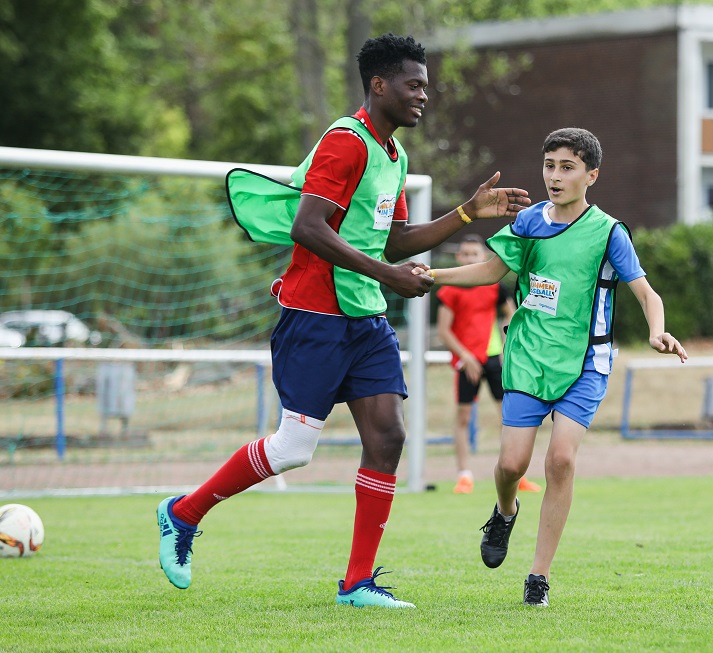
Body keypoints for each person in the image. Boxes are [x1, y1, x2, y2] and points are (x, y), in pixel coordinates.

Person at [155, 33, 530, 609]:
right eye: (413, 84)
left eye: (426, 86)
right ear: (379, 85)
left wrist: (465, 213)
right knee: (294, 447)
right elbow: (309, 226)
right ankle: (182, 513)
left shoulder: (394, 155)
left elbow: (397, 238)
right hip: (315, 315)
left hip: (364, 318)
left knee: (388, 436)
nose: (423, 95)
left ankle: (356, 584)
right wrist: (385, 274)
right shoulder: (344, 142)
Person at [416, 127, 687, 607]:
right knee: (510, 464)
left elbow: (647, 292)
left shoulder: (609, 232)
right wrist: (433, 275)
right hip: (528, 354)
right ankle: (504, 511)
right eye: (549, 166)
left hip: (586, 362)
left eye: (567, 167)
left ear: (591, 175)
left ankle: (538, 576)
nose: (555, 177)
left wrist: (656, 331)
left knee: (560, 459)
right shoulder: (528, 222)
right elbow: (492, 271)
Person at [435, 235, 540, 495]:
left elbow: (512, 314)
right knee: (463, 417)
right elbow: (444, 330)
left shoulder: (494, 287)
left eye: (475, 254)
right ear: (459, 258)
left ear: (483, 257)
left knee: (510, 417)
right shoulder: (449, 290)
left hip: (494, 359)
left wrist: (507, 348)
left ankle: (516, 473)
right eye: (465, 254)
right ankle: (464, 476)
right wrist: (465, 356)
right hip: (466, 363)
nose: (470, 258)